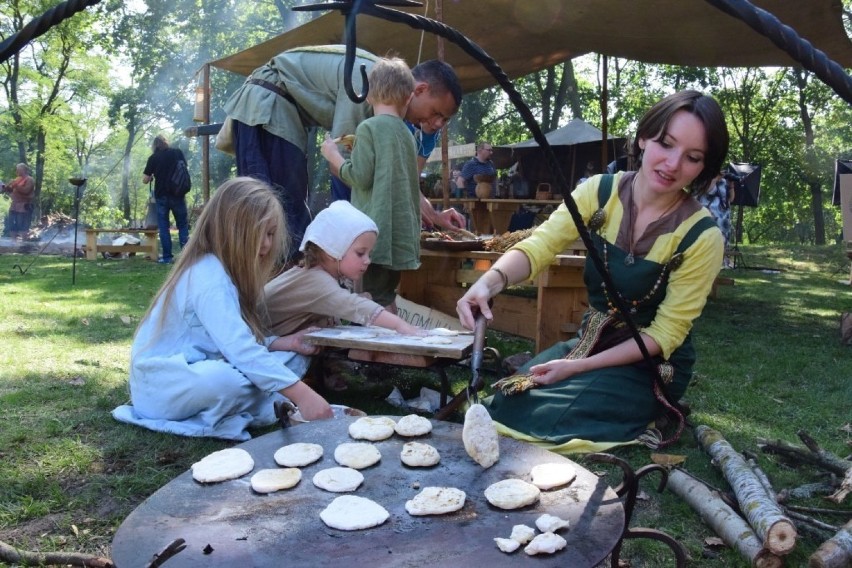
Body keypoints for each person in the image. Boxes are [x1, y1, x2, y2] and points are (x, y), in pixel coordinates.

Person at [456, 90, 728, 454]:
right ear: (644, 137)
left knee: (545, 418)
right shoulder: (598, 192)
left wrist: (577, 369)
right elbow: (540, 246)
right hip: (590, 341)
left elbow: (665, 334)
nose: (673, 164)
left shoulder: (702, 236)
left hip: (649, 364)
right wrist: (489, 282)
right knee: (508, 398)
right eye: (666, 143)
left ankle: (657, 411)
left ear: (702, 168)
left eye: (692, 157)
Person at [112, 177, 333, 441]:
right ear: (233, 230)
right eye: (261, 233)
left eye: (271, 234)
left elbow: (233, 340)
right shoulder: (208, 276)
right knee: (222, 380)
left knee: (293, 358)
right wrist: (302, 394)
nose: (266, 245)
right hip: (163, 387)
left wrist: (288, 342)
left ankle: (264, 391)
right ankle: (265, 395)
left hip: (205, 365)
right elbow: (238, 348)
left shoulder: (224, 273)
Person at [222, 45, 466, 258]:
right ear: (420, 90)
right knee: (276, 218)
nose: (436, 124)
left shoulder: (388, 108)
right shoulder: (368, 86)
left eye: (444, 120)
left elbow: (398, 179)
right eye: (436, 113)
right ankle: (277, 300)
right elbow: (341, 167)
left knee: (286, 222)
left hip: (283, 111)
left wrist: (433, 216)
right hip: (267, 104)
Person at [264, 200, 425, 390]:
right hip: (259, 341)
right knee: (300, 352)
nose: (367, 261)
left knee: (320, 329)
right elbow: (355, 307)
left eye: (369, 254)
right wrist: (400, 325)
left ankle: (327, 373)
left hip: (273, 336)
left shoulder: (324, 276)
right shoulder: (317, 281)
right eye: (360, 253)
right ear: (333, 251)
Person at [320, 56, 421, 312]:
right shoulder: (407, 133)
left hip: (376, 234)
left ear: (367, 95)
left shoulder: (368, 128)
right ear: (408, 97)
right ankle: (393, 342)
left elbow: (360, 177)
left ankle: (381, 347)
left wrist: (334, 156)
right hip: (400, 236)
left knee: (372, 298)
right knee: (386, 294)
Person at [143, 135, 190, 264]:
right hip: (178, 194)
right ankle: (186, 257)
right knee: (183, 225)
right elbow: (185, 168)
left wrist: (152, 176)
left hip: (162, 195)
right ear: (166, 143)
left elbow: (145, 180)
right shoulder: (177, 153)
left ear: (155, 145)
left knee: (164, 227)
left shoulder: (153, 158)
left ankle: (167, 257)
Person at [698, 172, 735, 266]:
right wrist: (715, 178)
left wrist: (731, 186)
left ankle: (720, 262)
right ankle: (707, 263)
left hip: (723, 217)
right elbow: (707, 190)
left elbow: (731, 199)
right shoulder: (705, 179)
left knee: (722, 241)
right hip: (710, 215)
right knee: (710, 240)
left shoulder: (723, 181)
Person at [2, 163, 36, 240]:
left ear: (23, 170)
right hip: (14, 205)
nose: (17, 171)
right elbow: (11, 190)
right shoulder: (17, 179)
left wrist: (16, 185)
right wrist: (6, 187)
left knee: (23, 226)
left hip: (24, 206)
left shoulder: (29, 179)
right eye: (17, 169)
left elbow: (26, 191)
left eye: (18, 169)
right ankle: (14, 242)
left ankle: (24, 243)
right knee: (12, 224)